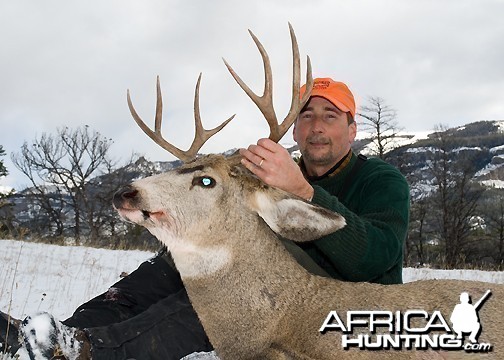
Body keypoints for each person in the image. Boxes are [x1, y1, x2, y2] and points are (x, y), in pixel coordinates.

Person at [0, 77, 409, 359]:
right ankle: (52, 339)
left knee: (222, 295)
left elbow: (377, 259)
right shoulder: (275, 172)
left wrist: (302, 191)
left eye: (330, 116)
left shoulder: (380, 181)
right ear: (296, 130)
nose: (316, 126)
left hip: (343, 318)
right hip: (272, 292)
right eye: (307, 115)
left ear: (352, 130)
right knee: (168, 269)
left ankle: (92, 352)